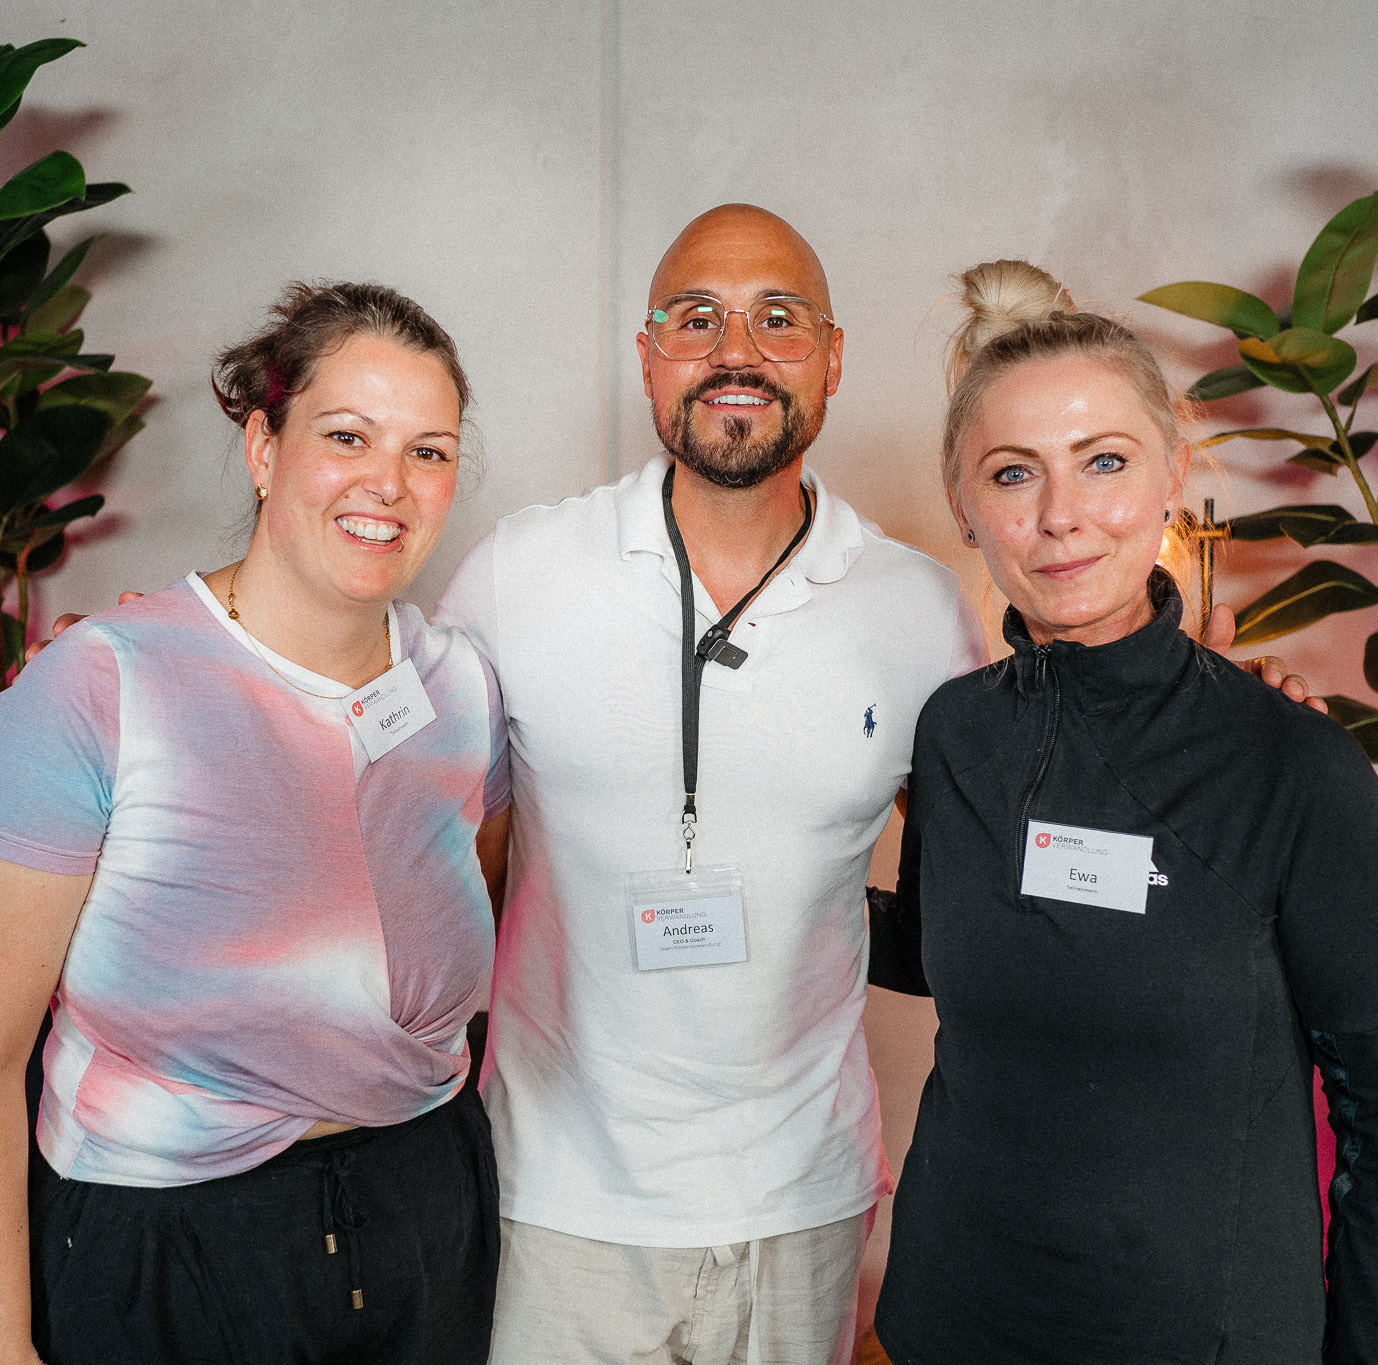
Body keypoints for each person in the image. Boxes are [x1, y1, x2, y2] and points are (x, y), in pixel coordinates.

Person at [432, 206, 1318, 1364]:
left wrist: (1227, 741)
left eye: (778, 318)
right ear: (647, 355)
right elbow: (423, 847)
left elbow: (1009, 875)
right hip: (555, 1198)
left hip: (804, 1196)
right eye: (694, 319)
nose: (734, 348)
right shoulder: (519, 573)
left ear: (833, 358)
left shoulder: (911, 609)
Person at [867, 260, 1378, 1364]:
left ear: (1170, 478)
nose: (1060, 518)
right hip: (952, 1314)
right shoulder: (953, 733)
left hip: (1194, 1331)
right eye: (1012, 474)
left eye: (1102, 462)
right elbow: (946, 944)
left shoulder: (1289, 763)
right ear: (962, 505)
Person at [0, 283, 507, 1365]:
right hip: (170, 1240)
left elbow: (473, 899)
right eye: (346, 436)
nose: (390, 483)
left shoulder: (460, 686)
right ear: (263, 446)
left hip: (425, 1204)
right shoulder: (103, 686)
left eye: (429, 451)